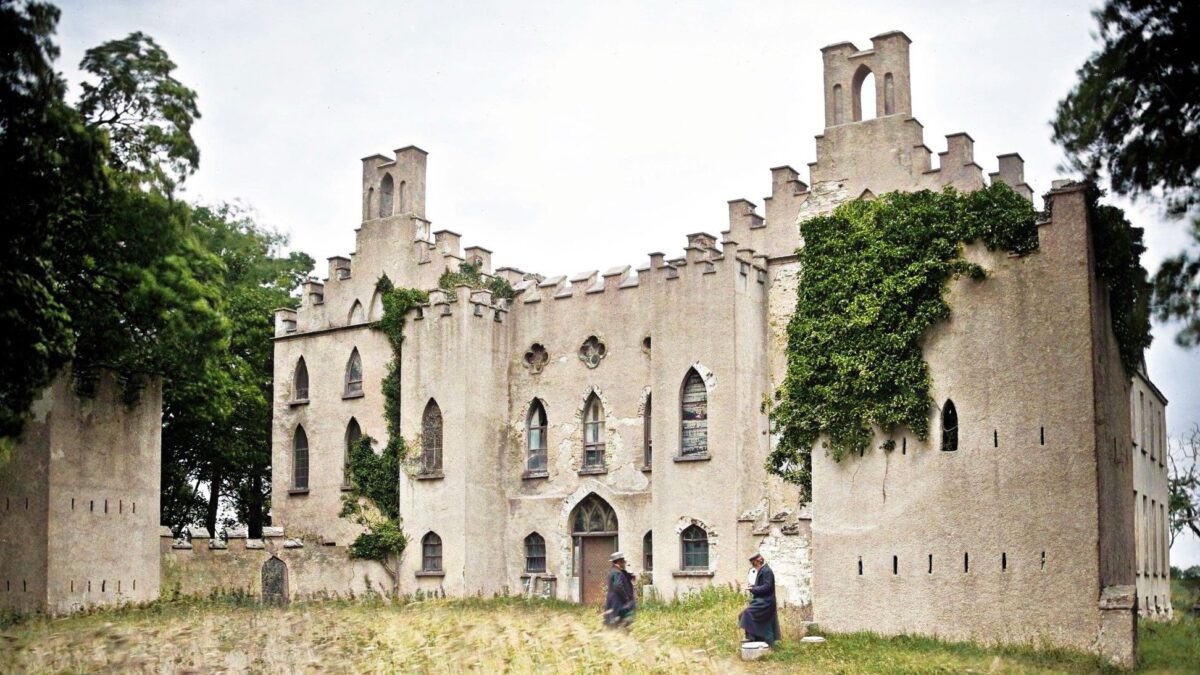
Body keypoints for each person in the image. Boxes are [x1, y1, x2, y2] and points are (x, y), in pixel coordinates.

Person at [739, 553, 781, 645]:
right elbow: (763, 586)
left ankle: (752, 638)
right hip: (762, 600)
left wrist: (753, 589)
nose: (752, 565)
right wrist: (753, 587)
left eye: (753, 563)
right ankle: (753, 637)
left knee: (747, 613)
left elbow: (767, 587)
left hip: (767, 602)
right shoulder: (762, 570)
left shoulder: (767, 571)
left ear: (757, 562)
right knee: (743, 614)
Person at [604, 551, 636, 628]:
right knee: (620, 622)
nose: (624, 562)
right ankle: (619, 636)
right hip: (618, 602)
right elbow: (618, 586)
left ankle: (617, 635)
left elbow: (623, 577)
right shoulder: (616, 572)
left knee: (615, 622)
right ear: (619, 561)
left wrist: (630, 576)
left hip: (614, 602)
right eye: (623, 560)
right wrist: (626, 598)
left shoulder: (615, 571)